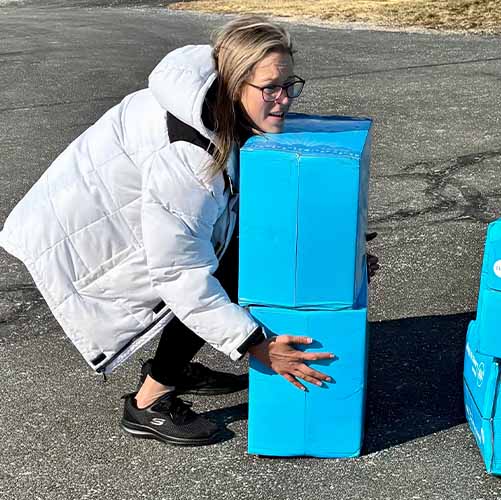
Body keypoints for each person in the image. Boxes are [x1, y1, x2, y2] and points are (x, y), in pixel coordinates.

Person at [0, 16, 378, 446]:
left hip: (121, 204)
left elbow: (233, 202)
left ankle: (179, 363)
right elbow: (181, 273)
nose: (285, 100)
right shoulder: (188, 160)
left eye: (290, 84)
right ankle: (149, 400)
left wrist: (333, 247)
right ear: (234, 84)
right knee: (219, 269)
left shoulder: (217, 106)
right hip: (81, 235)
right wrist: (255, 345)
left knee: (232, 253)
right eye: (271, 88)